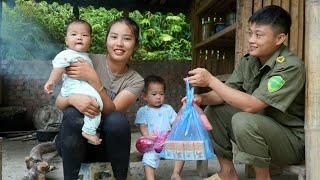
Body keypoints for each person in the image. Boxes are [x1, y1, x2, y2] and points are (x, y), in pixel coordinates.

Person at [186, 5, 305, 180]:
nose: (251, 39)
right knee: (213, 112)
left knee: (243, 119)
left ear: (280, 38)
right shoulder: (249, 61)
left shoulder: (290, 66)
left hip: (290, 142)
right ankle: (227, 172)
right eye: (250, 33)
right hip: (259, 129)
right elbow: (223, 94)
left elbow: (252, 106)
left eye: (259, 35)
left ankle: (262, 177)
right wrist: (199, 98)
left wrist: (211, 80)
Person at [54, 17, 144, 180]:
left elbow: (111, 110)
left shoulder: (135, 80)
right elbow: (59, 101)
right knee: (72, 114)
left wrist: (94, 79)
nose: (119, 43)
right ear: (106, 40)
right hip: (74, 143)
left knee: (117, 120)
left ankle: (120, 177)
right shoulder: (85, 59)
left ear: (135, 44)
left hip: (106, 147)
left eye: (127, 39)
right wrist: (71, 99)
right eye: (114, 37)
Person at [44, 19, 103, 145]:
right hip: (74, 88)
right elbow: (58, 68)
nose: (79, 38)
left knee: (96, 105)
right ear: (66, 40)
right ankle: (89, 131)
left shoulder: (85, 55)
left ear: (90, 40)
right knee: (95, 103)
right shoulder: (67, 54)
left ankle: (89, 129)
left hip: (81, 87)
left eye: (84, 35)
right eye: (74, 34)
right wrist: (51, 81)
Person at [134, 75, 184, 180]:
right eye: (154, 94)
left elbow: (176, 122)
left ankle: (176, 173)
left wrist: (183, 111)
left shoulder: (168, 109)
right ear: (145, 96)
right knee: (148, 159)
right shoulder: (143, 111)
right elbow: (143, 126)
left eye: (161, 94)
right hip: (153, 142)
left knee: (181, 151)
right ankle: (150, 178)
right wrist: (147, 136)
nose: (158, 97)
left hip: (167, 141)